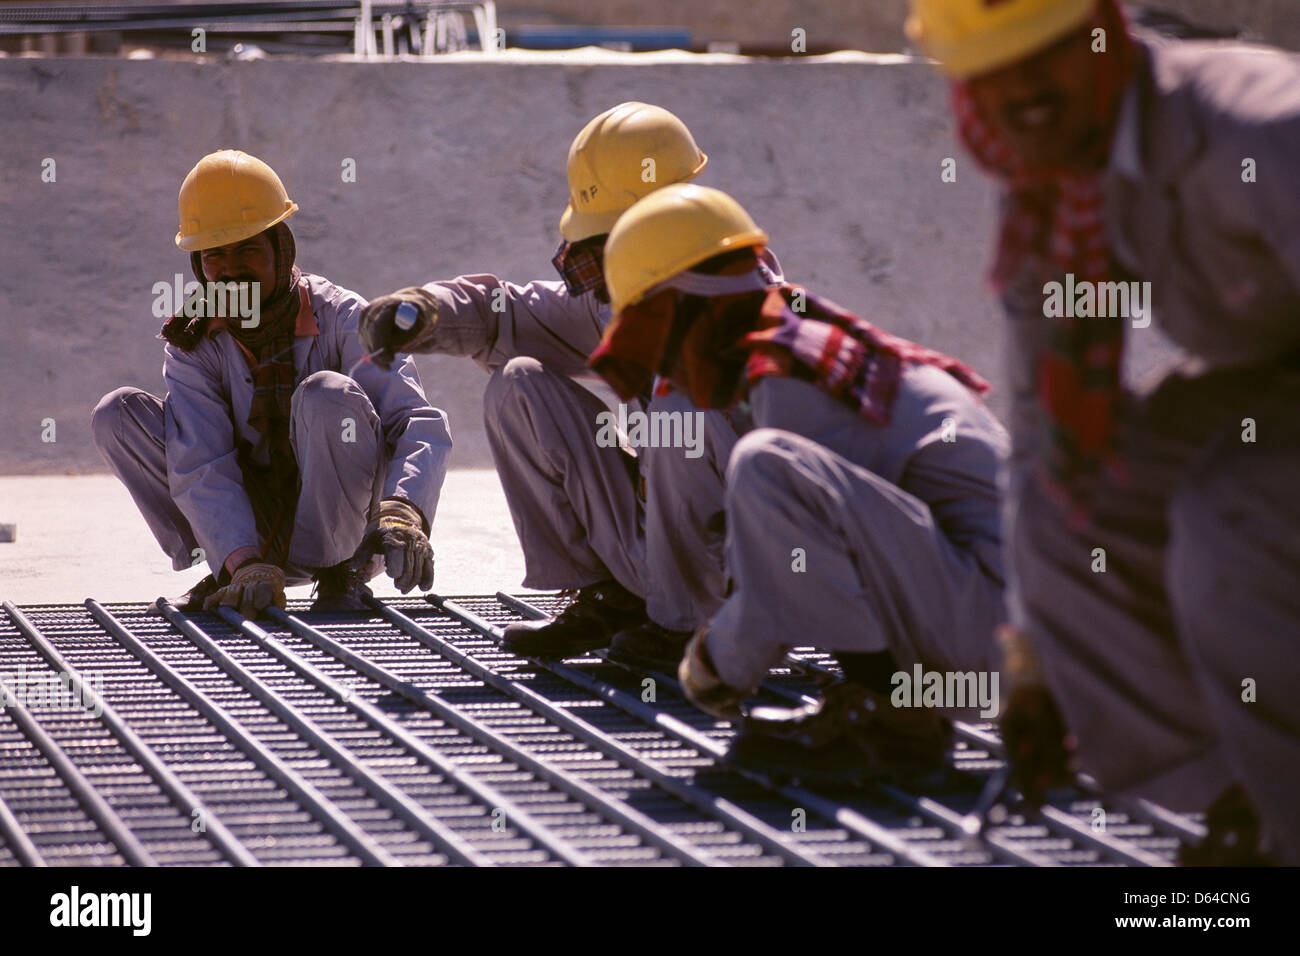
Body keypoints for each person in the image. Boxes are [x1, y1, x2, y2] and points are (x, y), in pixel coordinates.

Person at [907, 0, 1300, 862]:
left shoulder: (1259, 131)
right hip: (1265, 384)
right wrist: (1034, 662)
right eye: (994, 72)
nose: (1024, 93)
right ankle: (1248, 800)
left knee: (1227, 511)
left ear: (1102, 39)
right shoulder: (1054, 188)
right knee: (1069, 496)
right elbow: (1043, 423)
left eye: (1044, 55)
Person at [589, 183, 1009, 780]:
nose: (665, 370)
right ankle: (893, 710)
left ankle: (891, 722)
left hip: (998, 638)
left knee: (765, 465)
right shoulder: (808, 347)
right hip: (998, 624)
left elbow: (789, 566)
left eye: (659, 344)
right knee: (766, 473)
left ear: (691, 311)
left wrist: (717, 660)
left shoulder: (793, 380)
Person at [357, 103, 777, 668]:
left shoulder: (755, 320)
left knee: (683, 416)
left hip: (752, 574)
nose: (603, 259)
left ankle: (691, 628)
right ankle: (613, 599)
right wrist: (426, 311)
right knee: (519, 385)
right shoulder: (638, 295)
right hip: (670, 550)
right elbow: (510, 316)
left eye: (613, 238)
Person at [92, 149, 448, 617]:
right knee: (117, 415)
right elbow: (201, 458)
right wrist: (242, 559)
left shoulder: (344, 316)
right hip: (250, 535)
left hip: (350, 525)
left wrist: (405, 512)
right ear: (199, 265)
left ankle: (337, 571)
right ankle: (228, 563)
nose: (231, 267)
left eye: (248, 249)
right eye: (215, 254)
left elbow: (414, 421)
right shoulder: (194, 340)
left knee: (328, 393)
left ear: (282, 251)